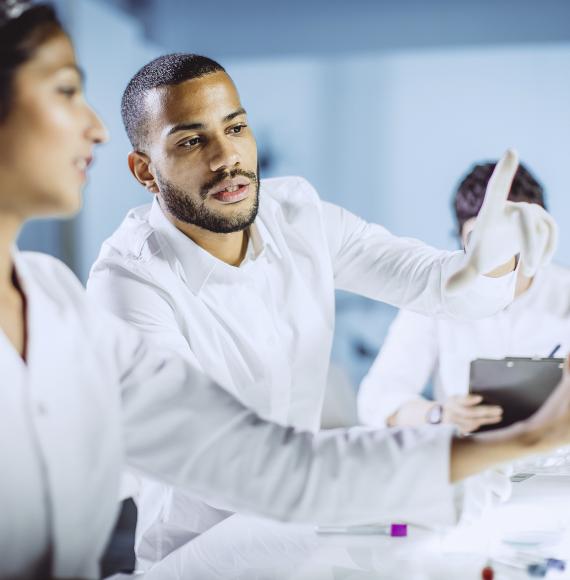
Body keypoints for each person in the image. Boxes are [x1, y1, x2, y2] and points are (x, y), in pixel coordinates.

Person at [2, 3, 568, 578]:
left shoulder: (293, 214)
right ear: (145, 171)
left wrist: (490, 261)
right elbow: (250, 466)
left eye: (237, 128)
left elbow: (441, 287)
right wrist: (508, 444)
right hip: (205, 555)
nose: (229, 158)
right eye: (192, 142)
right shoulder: (127, 286)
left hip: (306, 516)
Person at [358, 162, 570, 433]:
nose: (499, 252)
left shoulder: (565, 292)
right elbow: (375, 399)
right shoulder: (435, 295)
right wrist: (440, 414)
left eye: (511, 236)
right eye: (481, 238)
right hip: (469, 459)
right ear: (460, 240)